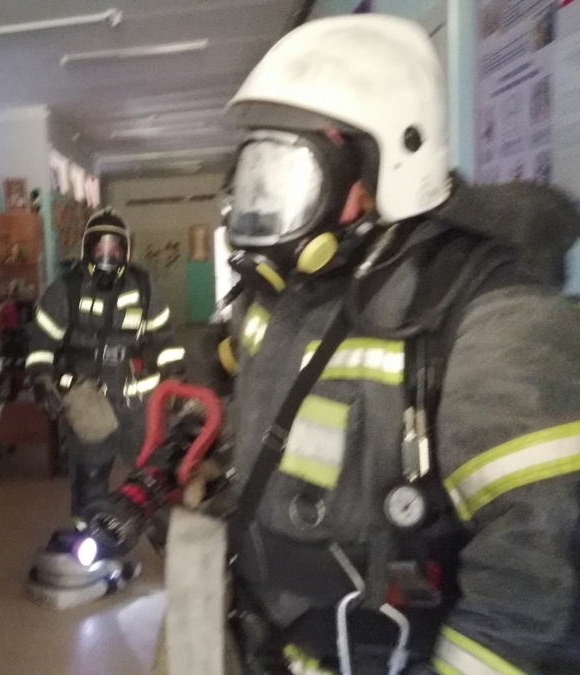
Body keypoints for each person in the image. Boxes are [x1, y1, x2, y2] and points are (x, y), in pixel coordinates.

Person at [207, 14, 580, 674]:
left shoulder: (495, 316)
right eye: (257, 169)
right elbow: (240, 377)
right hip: (272, 643)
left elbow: (536, 568)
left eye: (291, 168)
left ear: (383, 166)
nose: (266, 197)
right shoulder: (292, 292)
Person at [26, 208, 186, 518]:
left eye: (115, 249)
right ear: (87, 250)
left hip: (138, 401)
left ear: (127, 252)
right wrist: (42, 380)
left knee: (154, 477)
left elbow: (165, 338)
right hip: (89, 398)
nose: (107, 256)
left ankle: (162, 534)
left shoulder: (143, 285)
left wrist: (175, 378)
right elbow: (41, 344)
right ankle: (89, 538)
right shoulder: (65, 290)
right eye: (100, 248)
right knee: (90, 482)